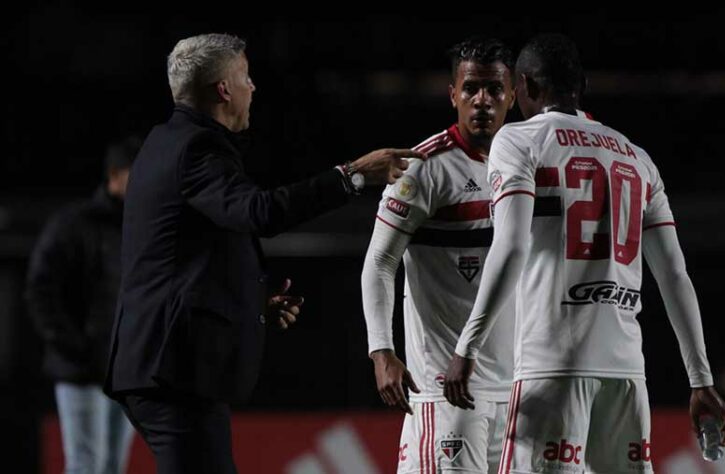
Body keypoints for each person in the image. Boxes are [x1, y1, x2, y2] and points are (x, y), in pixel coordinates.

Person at [103, 33, 424, 474]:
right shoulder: (196, 148)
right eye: (246, 77)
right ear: (223, 89)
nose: (253, 87)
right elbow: (260, 212)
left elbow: (181, 260)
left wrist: (246, 305)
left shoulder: (167, 142)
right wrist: (350, 175)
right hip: (171, 371)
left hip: (162, 366)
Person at [443, 33, 725, 473]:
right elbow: (675, 274)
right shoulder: (638, 158)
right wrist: (701, 380)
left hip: (552, 366)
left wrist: (468, 345)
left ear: (526, 86)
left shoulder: (517, 141)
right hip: (627, 375)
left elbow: (512, 244)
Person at [362, 36, 516, 473]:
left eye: (494, 89)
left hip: (518, 389)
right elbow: (379, 261)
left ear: (514, 96)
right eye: (470, 89)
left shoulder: (529, 163)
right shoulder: (424, 168)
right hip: (445, 391)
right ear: (453, 95)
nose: (482, 100)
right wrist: (381, 350)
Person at [26, 136, 141, 474]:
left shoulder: (142, 228)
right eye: (137, 174)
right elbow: (39, 289)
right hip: (81, 370)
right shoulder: (72, 225)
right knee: (86, 465)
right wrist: (73, 345)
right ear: (115, 176)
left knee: (111, 467)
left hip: (126, 373)